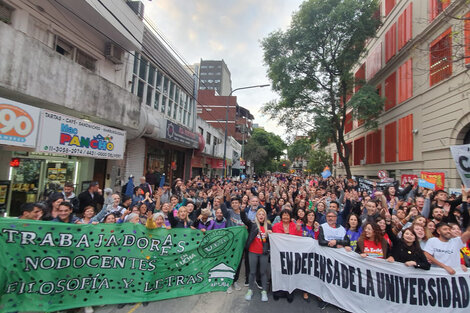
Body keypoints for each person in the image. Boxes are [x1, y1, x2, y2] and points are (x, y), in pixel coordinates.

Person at [240, 206, 271, 302]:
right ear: (256, 216)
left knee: (263, 272)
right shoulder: (252, 225)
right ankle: (250, 290)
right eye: (259, 214)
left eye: (263, 214)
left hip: (264, 253)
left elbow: (272, 241)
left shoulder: (269, 226)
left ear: (265, 216)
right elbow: (245, 219)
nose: (261, 216)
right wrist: (242, 210)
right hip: (253, 252)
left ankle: (264, 292)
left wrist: (270, 234)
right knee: (252, 272)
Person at [272, 209, 302, 303]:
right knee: (279, 271)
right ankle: (278, 290)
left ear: (290, 217)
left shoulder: (294, 225)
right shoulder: (276, 226)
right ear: (281, 217)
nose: (285, 217)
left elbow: (299, 238)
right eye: (284, 215)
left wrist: (298, 229)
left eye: (287, 215)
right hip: (279, 253)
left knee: (289, 272)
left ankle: (289, 291)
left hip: (291, 253)